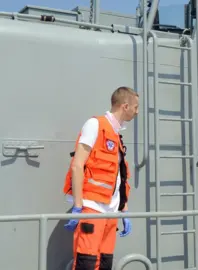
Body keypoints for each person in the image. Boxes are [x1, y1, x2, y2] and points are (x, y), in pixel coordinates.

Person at [62, 86, 139, 269]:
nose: (137, 112)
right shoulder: (95, 125)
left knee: (105, 263)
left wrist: (123, 209)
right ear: (125, 106)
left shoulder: (116, 135)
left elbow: (119, 176)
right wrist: (78, 206)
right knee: (86, 263)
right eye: (136, 107)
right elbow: (78, 165)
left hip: (110, 211)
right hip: (92, 208)